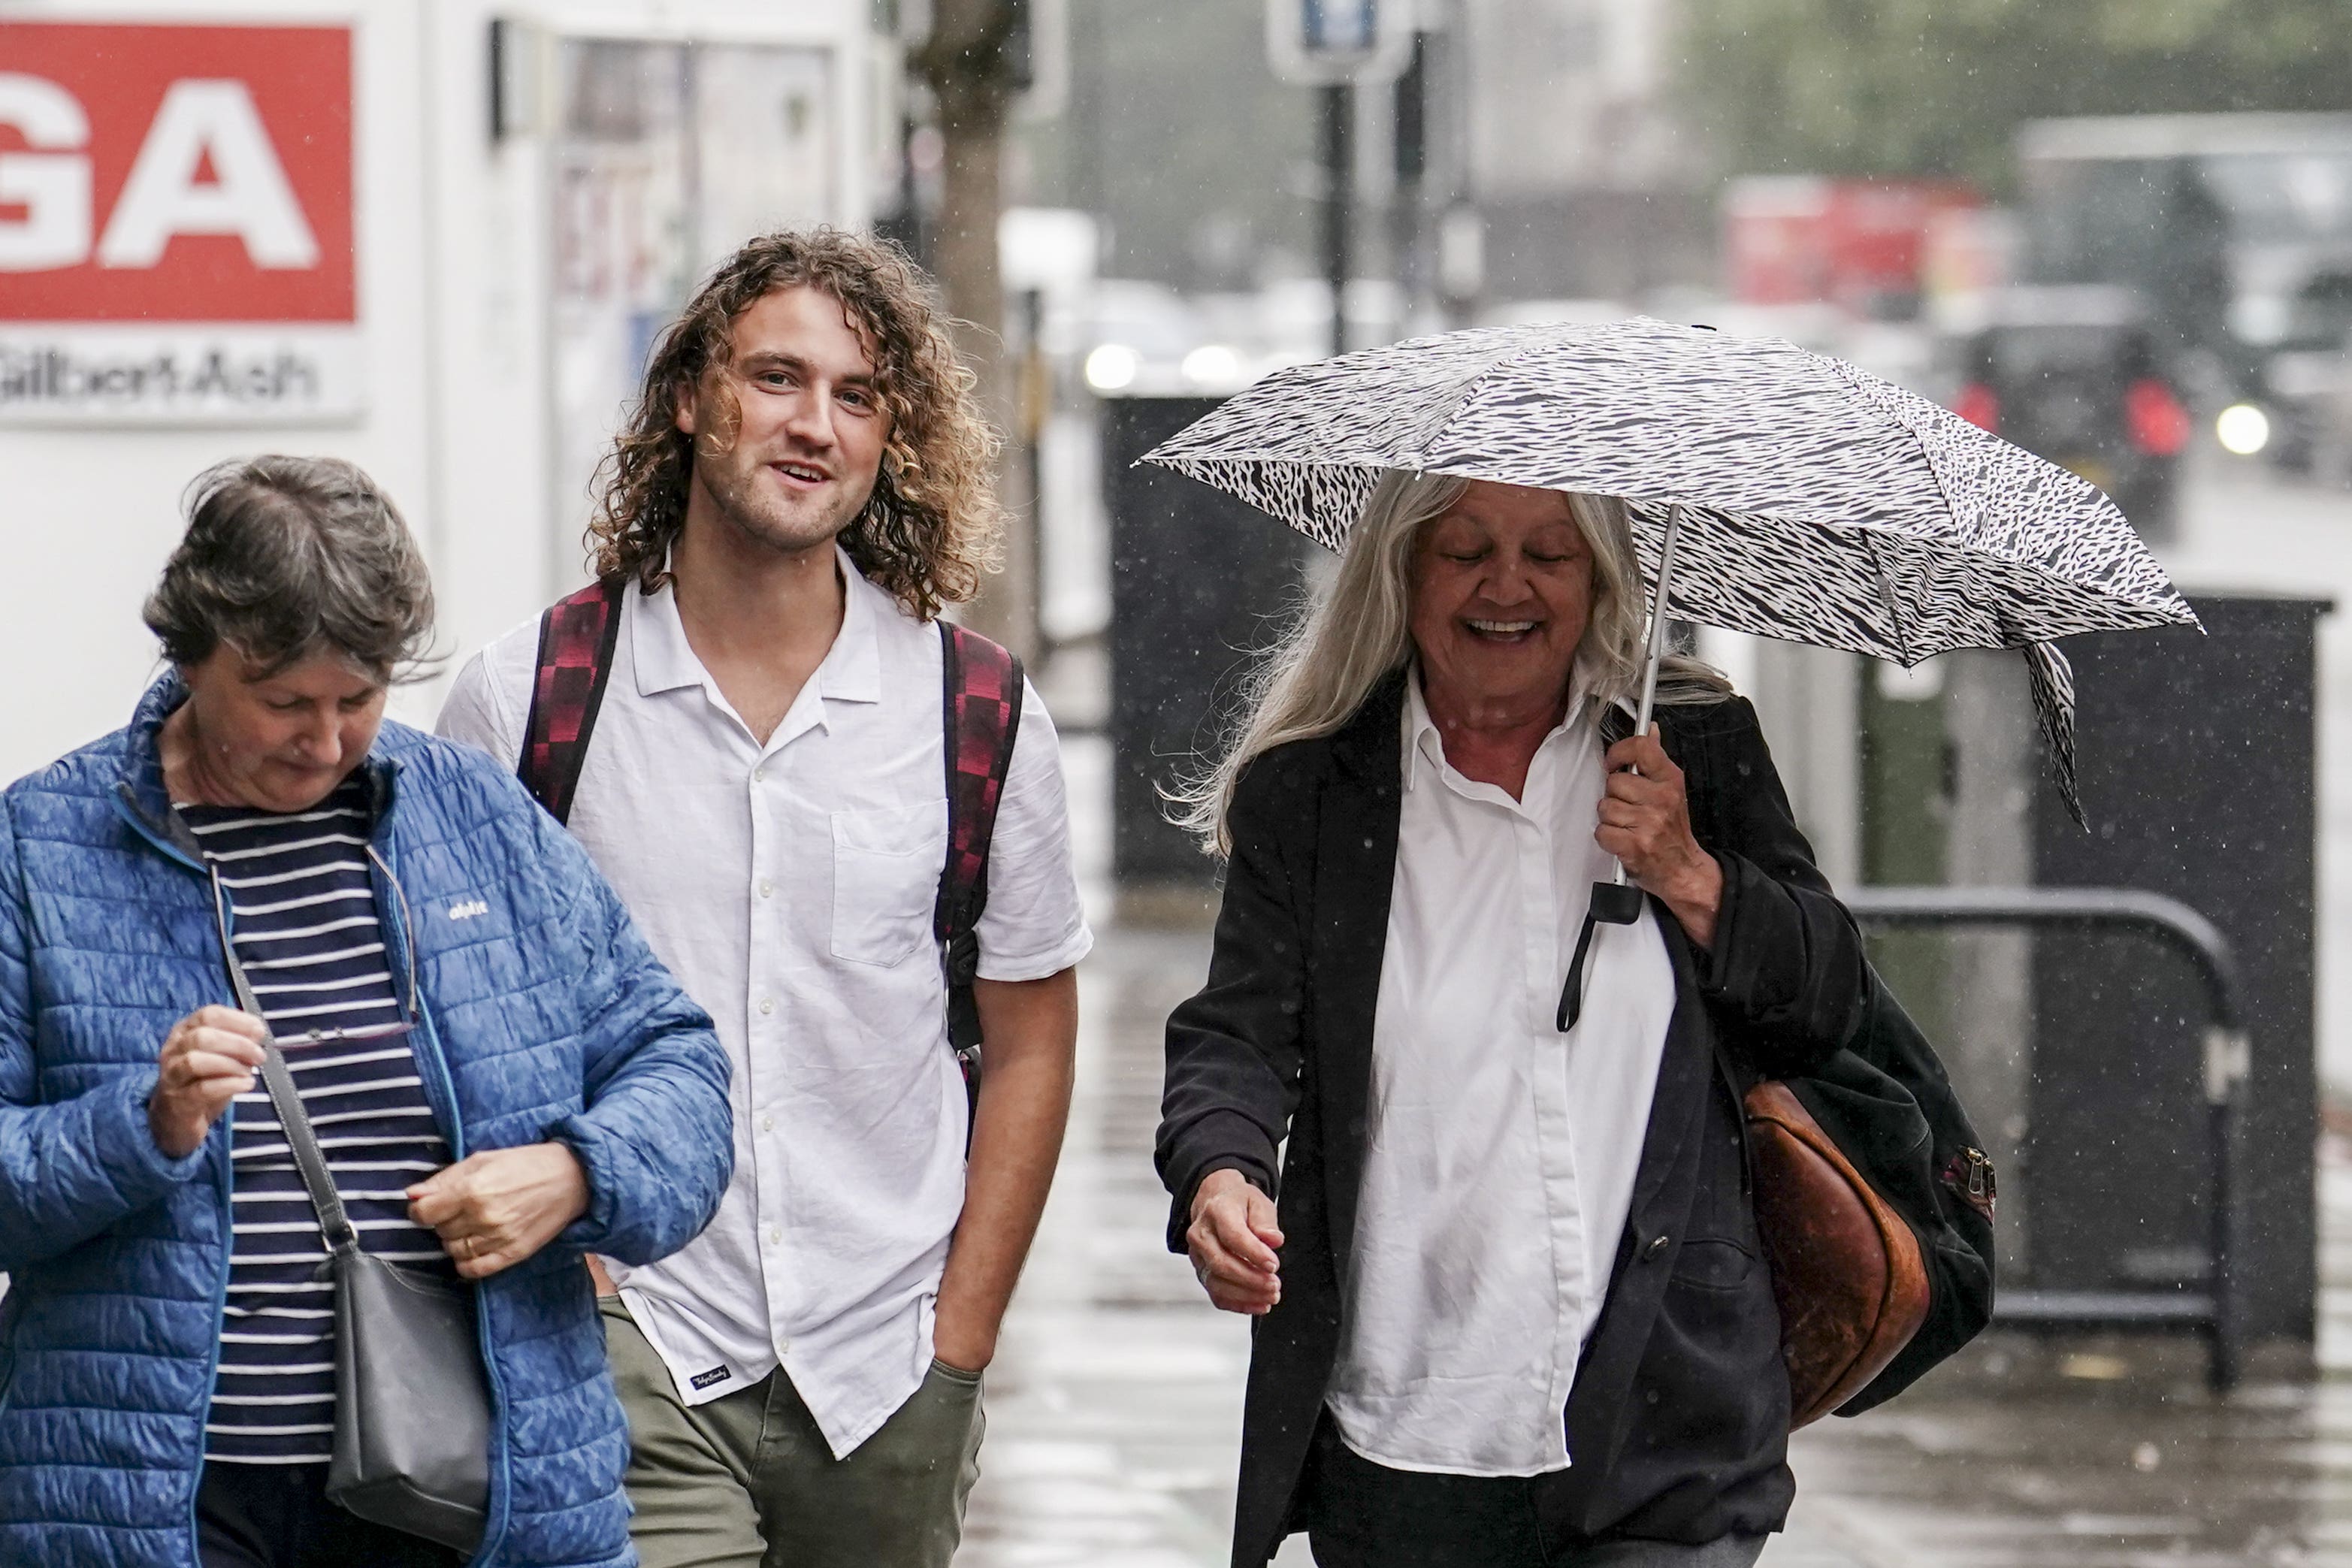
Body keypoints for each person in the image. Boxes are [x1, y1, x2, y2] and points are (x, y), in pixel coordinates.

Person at [438, 227, 1090, 1568]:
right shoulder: (531, 700)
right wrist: (583, 1283)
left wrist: (959, 1341)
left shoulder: (974, 710)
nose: (815, 427)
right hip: (629, 1337)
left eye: (856, 397)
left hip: (887, 1364)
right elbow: (448, 1025)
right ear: (690, 397)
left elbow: (1029, 1038)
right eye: (776, 379)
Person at [0, 455, 735, 1568]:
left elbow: (677, 1063)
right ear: (193, 656)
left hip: (470, 1489)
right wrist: (142, 1126)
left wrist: (579, 1174)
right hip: (163, 1504)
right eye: (286, 700)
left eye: (361, 697)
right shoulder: (42, 846)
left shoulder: (475, 817)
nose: (328, 739)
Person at [1157, 472, 1876, 1568]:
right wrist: (1222, 1173)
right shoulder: (1310, 794)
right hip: (1403, 1413)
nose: (1507, 585)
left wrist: (1686, 869)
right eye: (1464, 550)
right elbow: (1239, 1035)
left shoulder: (1692, 744)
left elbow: (1825, 1004)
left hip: (1663, 1413)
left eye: (1550, 553)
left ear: (1598, 582)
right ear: (1400, 574)